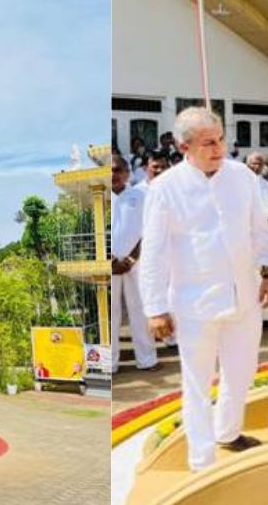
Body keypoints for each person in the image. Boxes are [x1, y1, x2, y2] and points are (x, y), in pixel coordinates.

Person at [138, 107, 268, 472]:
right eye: (208, 143)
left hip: (244, 297)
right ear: (185, 147)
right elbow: (153, 252)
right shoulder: (165, 188)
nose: (218, 148)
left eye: (221, 139)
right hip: (193, 304)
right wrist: (154, 309)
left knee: (241, 371)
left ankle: (229, 433)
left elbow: (259, 231)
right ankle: (201, 460)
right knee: (197, 384)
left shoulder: (243, 178)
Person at [110, 155, 158, 372]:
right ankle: (110, 364)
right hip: (109, 265)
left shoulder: (141, 195)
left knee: (139, 311)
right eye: (109, 170)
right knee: (111, 315)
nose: (113, 174)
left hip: (136, 262)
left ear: (127, 172)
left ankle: (147, 360)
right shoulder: (100, 197)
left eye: (118, 170)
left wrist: (131, 259)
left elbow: (149, 230)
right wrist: (110, 261)